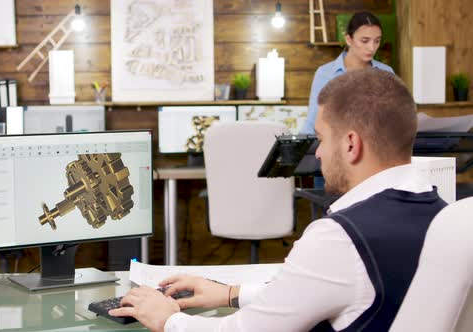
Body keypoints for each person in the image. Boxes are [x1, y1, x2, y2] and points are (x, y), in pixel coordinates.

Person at [109, 69, 448, 331]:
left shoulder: (340, 238)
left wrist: (167, 319)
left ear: (350, 144)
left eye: (320, 139)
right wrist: (230, 293)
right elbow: (330, 287)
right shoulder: (447, 219)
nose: (318, 152)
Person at [301, 11, 394, 135]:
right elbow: (312, 123)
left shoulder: (386, 73)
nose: (372, 48)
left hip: (375, 148)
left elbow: (393, 118)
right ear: (349, 39)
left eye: (377, 41)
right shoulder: (325, 73)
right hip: (336, 149)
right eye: (365, 41)